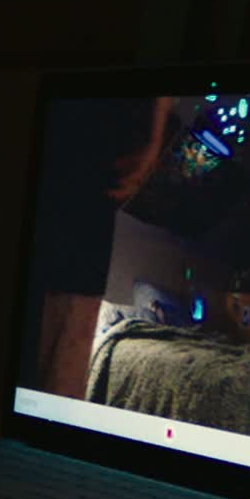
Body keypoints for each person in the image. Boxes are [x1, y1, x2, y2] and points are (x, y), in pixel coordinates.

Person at [30, 96, 171, 398]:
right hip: (93, 135)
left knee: (69, 318)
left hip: (94, 136)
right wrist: (154, 136)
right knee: (67, 323)